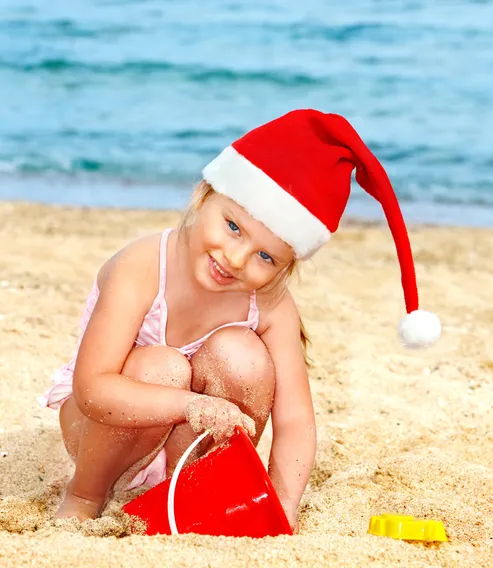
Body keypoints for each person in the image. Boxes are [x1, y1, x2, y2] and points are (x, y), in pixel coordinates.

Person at [38, 109, 441, 532]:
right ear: (204, 195)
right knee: (163, 367)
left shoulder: (270, 303)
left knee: (244, 356)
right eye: (233, 227)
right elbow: (92, 389)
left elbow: (295, 421)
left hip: (189, 443)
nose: (235, 259)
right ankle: (84, 495)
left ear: (286, 266)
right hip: (104, 433)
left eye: (266, 256)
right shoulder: (142, 265)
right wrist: (189, 404)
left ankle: (189, 490)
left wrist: (283, 507)